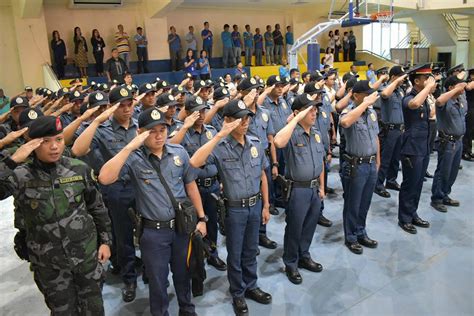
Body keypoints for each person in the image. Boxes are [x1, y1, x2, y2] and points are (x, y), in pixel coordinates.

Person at [98, 107, 206, 316]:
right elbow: (104, 178)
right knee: (158, 280)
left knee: (183, 273)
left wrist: (201, 218)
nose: (158, 136)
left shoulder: (179, 153)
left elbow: (190, 185)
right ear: (140, 133)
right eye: (152, 131)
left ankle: (187, 309)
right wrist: (129, 147)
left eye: (162, 130)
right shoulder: (133, 158)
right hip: (154, 233)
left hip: (181, 227)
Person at [0, 115, 112, 315]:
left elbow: (97, 208)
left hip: (85, 257)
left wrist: (105, 241)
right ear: (32, 143)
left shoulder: (78, 169)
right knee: (62, 311)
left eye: (59, 139)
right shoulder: (20, 175)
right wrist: (13, 160)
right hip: (50, 265)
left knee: (94, 309)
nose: (54, 147)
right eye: (45, 141)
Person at [190, 99, 272, 316]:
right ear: (227, 120)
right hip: (234, 209)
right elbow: (194, 163)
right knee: (235, 253)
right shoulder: (219, 147)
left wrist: (266, 205)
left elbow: (263, 175)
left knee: (251, 249)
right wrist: (219, 134)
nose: (244, 122)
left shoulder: (255, 142)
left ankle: (251, 285)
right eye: (238, 118)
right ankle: (238, 292)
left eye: (246, 117)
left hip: (255, 206)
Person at [72, 86, 139, 302]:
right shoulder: (103, 129)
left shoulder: (139, 125)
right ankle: (129, 278)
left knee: (148, 233)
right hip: (117, 189)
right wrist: (97, 121)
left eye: (130, 104)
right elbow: (77, 150)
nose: (127, 109)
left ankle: (147, 269)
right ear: (111, 107)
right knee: (123, 235)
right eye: (122, 105)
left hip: (143, 187)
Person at [168, 96, 228, 271]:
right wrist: (185, 125)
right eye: (196, 111)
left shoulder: (210, 130)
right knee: (191, 226)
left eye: (203, 111)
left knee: (212, 222)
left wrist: (221, 180)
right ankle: (195, 260)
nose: (201, 115)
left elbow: (219, 157)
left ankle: (213, 254)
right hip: (191, 188)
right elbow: (169, 146)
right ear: (187, 113)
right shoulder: (181, 131)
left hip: (212, 186)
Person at [273, 93, 325, 284]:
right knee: (295, 228)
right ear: (297, 113)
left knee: (310, 226)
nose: (315, 112)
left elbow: (320, 162)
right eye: (310, 110)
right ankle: (291, 263)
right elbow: (277, 142)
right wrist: (294, 119)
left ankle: (304, 255)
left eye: (316, 109)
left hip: (313, 189)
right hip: (298, 190)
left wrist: (321, 187)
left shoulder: (316, 134)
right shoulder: (291, 133)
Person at [339, 80, 380, 255]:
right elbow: (346, 123)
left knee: (365, 202)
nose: (370, 97)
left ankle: (361, 231)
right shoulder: (349, 112)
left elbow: (376, 136)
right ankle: (351, 237)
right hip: (355, 165)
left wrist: (378, 160)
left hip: (370, 164)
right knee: (353, 203)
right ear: (356, 96)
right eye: (366, 94)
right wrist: (364, 105)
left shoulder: (371, 113)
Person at [398, 64, 437, 235]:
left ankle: (413, 213)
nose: (429, 81)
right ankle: (404, 218)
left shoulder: (426, 97)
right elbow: (413, 104)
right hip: (412, 148)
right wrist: (428, 88)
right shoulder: (410, 96)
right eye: (425, 78)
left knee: (419, 183)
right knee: (410, 184)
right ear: (416, 81)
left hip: (424, 146)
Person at [430, 76, 468, 212]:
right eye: (458, 86)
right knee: (443, 171)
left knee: (452, 171)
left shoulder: (460, 100)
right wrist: (455, 89)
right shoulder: (445, 102)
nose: (462, 88)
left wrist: (462, 87)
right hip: (447, 141)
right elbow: (439, 101)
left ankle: (445, 194)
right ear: (451, 88)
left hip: (458, 141)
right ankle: (437, 198)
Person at [374, 66, 408, 198]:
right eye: (400, 77)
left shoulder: (400, 91)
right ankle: (378, 184)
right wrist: (394, 81)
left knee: (395, 158)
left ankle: (391, 180)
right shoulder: (386, 88)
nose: (402, 80)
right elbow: (384, 94)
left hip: (400, 129)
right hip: (389, 129)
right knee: (385, 159)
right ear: (394, 77)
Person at [462, 69, 474, 161]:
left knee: (471, 132)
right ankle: (464, 152)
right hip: (470, 110)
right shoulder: (468, 83)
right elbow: (469, 88)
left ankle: (469, 150)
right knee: (468, 132)